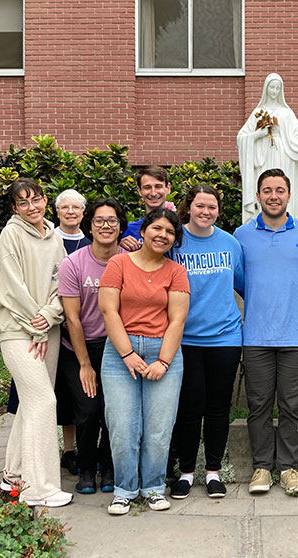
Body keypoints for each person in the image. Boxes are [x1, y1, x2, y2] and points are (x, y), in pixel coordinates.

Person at [98, 207, 190, 515]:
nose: (162, 235)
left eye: (170, 232)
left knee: (158, 428)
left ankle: (153, 487)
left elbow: (177, 321)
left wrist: (162, 362)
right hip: (120, 353)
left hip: (162, 354)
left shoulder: (176, 272)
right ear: (143, 230)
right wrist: (128, 354)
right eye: (157, 228)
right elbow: (109, 311)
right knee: (123, 425)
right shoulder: (119, 264)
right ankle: (124, 490)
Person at [233, 168, 298, 496]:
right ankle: (261, 468)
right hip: (256, 335)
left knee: (292, 405)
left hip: (297, 336)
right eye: (267, 190)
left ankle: (290, 468)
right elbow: (239, 280)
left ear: (288, 195)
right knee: (258, 405)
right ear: (258, 196)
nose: (273, 196)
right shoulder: (241, 236)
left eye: (279, 190)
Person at [0, 178, 72, 508]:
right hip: (18, 331)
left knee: (31, 401)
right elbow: (9, 288)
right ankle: (39, 488)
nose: (31, 207)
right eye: (23, 203)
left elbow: (62, 284)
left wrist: (49, 317)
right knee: (43, 402)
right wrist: (35, 326)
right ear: (14, 208)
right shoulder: (10, 235)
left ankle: (14, 473)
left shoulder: (54, 239)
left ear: (45, 200)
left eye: (36, 200)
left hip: (47, 329)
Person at [170, 185, 244, 500]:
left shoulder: (230, 244)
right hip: (184, 339)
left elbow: (243, 285)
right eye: (200, 206)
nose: (206, 212)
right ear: (189, 207)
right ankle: (186, 472)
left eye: (211, 207)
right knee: (189, 406)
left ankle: (213, 471)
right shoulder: (174, 243)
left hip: (225, 337)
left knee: (218, 406)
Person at [58, 198, 128, 495]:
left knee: (114, 410)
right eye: (99, 220)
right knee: (87, 410)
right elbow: (72, 318)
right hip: (78, 349)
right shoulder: (73, 263)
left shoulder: (130, 260)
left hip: (117, 348)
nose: (106, 226)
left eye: (112, 221)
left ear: (121, 226)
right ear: (89, 225)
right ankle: (86, 467)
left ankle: (109, 465)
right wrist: (85, 364)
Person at [237, 73, 298, 223]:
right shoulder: (257, 113)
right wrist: (258, 135)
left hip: (283, 155)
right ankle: (261, 221)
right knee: (266, 186)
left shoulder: (287, 113)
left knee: (282, 186)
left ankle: (286, 220)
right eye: (271, 87)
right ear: (266, 89)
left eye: (277, 88)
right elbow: (242, 137)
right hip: (264, 156)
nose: (274, 91)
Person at [53, 188, 91, 475]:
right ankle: (67, 449)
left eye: (75, 208)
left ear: (82, 213)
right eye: (64, 207)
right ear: (57, 212)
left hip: (85, 329)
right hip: (54, 327)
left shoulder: (90, 244)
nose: (70, 212)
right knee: (62, 395)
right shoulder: (48, 240)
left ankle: (87, 449)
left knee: (86, 397)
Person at [120, 166, 175, 251]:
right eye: (147, 187)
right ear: (139, 191)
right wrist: (118, 246)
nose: (153, 193)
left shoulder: (180, 229)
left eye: (158, 186)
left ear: (168, 188)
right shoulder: (128, 231)